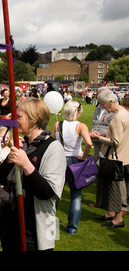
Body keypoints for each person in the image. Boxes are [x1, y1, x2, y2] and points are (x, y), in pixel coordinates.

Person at [0, 98, 66, 251]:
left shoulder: (53, 148)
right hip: (9, 222)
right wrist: (10, 158)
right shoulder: (22, 143)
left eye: (19, 117)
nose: (15, 120)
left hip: (35, 226)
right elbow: (1, 179)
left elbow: (48, 192)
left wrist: (26, 164)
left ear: (34, 119)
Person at [52, 100, 93, 234]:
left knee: (56, 193)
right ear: (78, 112)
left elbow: (52, 143)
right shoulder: (81, 126)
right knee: (76, 196)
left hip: (60, 160)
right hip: (75, 160)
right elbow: (89, 143)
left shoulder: (57, 125)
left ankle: (50, 223)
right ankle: (72, 228)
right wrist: (84, 156)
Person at [90, 90, 129, 228]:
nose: (103, 108)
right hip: (123, 157)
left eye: (103, 104)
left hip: (115, 157)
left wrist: (98, 137)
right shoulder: (125, 113)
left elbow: (115, 141)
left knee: (115, 190)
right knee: (115, 189)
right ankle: (111, 213)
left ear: (111, 102)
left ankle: (117, 219)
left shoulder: (118, 117)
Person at [89, 87, 115, 209]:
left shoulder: (114, 110)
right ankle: (99, 200)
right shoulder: (97, 108)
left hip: (107, 144)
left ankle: (107, 201)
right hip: (97, 141)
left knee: (106, 171)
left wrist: (101, 135)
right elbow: (95, 122)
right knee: (97, 168)